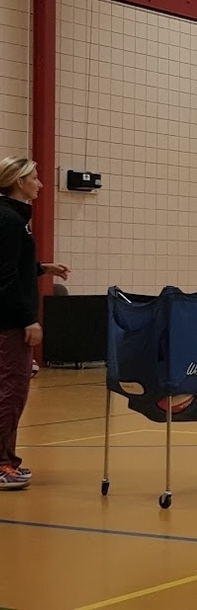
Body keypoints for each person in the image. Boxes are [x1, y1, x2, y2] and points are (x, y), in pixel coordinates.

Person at [0, 157, 70, 489]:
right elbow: (5, 276)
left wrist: (43, 268)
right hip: (10, 322)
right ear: (18, 181)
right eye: (35, 178)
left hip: (11, 318)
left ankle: (7, 460)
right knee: (11, 392)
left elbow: (15, 263)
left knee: (11, 391)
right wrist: (28, 319)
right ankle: (1, 464)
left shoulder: (14, 218)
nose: (40, 183)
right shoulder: (8, 220)